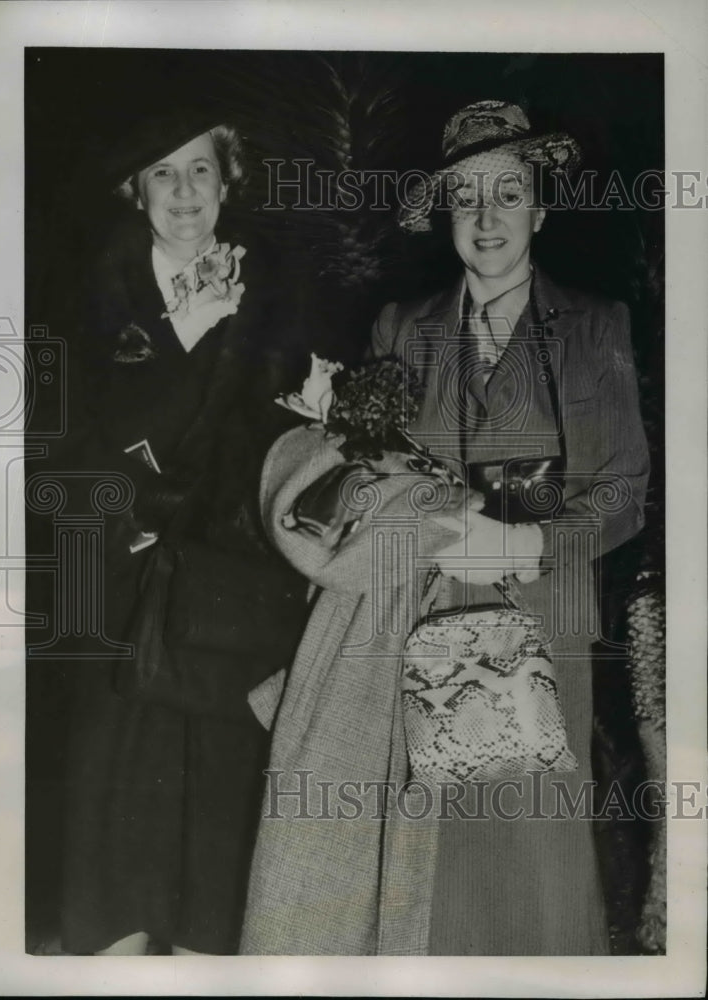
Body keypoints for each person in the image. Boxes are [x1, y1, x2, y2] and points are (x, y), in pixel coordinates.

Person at [239, 100, 649, 955]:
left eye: (507, 194)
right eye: (465, 199)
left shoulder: (594, 324)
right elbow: (370, 466)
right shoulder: (403, 326)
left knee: (532, 843)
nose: (486, 217)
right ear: (446, 217)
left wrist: (532, 541)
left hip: (543, 617)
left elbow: (621, 491)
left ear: (539, 210)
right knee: (431, 850)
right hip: (421, 614)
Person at [56, 108, 308, 955]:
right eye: (162, 173)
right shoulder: (84, 294)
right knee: (116, 831)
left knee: (216, 834)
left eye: (200, 168)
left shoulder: (274, 293)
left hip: (227, 599)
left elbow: (286, 441)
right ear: (136, 192)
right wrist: (185, 335)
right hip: (119, 592)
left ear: (227, 181)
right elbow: (74, 456)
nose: (185, 191)